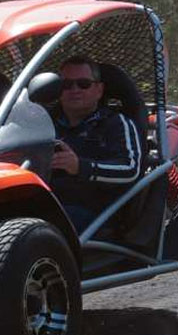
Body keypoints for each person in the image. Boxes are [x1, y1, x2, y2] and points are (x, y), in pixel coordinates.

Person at [50, 55, 142, 232]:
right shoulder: (45, 124)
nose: (75, 90)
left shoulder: (115, 123)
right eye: (67, 85)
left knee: (40, 224)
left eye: (83, 84)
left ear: (99, 90)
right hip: (49, 203)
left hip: (97, 215)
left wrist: (80, 167)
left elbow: (130, 169)